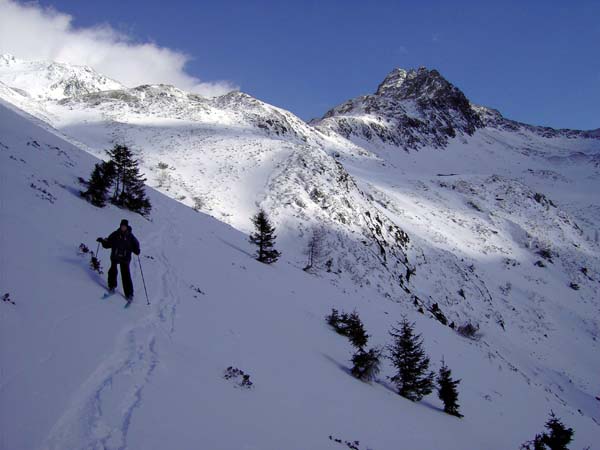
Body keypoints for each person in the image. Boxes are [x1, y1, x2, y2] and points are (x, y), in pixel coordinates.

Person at [97, 219, 140, 301]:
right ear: (120, 226)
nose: (123, 227)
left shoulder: (130, 236)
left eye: (124, 226)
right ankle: (112, 286)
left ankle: (129, 294)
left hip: (125, 258)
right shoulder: (115, 234)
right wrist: (102, 241)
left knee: (125, 275)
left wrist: (137, 250)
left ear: (127, 227)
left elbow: (136, 245)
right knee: (113, 271)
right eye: (122, 226)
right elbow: (108, 243)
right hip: (115, 256)